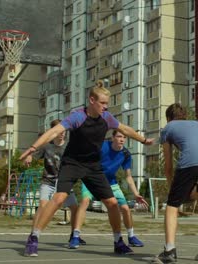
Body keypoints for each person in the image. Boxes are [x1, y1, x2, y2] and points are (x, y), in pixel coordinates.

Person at [20, 80, 154, 257]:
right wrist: (33, 148)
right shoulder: (77, 117)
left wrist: (143, 140)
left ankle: (118, 241)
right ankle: (34, 238)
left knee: (113, 203)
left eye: (107, 103)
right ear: (92, 100)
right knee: (59, 198)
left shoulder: (106, 118)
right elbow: (53, 132)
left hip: (92, 166)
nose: (106, 107)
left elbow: (125, 129)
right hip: (72, 163)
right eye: (103, 103)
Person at [152, 103, 198, 264]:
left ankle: (169, 250)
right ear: (184, 116)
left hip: (192, 161)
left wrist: (172, 191)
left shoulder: (168, 128)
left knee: (171, 206)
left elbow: (168, 166)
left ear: (168, 118)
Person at [70, 130, 149, 249]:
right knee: (85, 201)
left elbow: (128, 176)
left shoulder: (126, 154)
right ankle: (75, 236)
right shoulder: (102, 146)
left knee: (125, 208)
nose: (122, 139)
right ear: (112, 138)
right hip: (92, 179)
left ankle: (131, 236)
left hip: (111, 183)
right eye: (119, 136)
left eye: (124, 137)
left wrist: (136, 194)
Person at [23, 119, 85, 246]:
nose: (62, 133)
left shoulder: (69, 146)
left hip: (64, 182)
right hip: (48, 181)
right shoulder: (46, 146)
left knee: (74, 208)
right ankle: (33, 235)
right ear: (53, 132)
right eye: (59, 130)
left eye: (64, 131)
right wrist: (29, 156)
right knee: (43, 206)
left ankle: (74, 235)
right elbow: (33, 154)